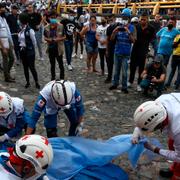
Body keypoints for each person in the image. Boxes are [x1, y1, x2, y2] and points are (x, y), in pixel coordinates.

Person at [132, 93, 180, 179]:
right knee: (172, 143)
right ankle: (173, 168)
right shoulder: (161, 101)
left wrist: (154, 149)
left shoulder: (177, 129)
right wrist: (137, 129)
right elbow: (147, 115)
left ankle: (177, 175)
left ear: (160, 124)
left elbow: (178, 156)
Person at [109, 8, 136, 93]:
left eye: (126, 17)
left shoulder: (132, 28)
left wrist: (128, 32)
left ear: (129, 18)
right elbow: (112, 39)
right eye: (123, 17)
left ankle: (124, 87)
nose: (124, 18)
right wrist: (114, 31)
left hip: (126, 53)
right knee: (116, 71)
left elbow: (133, 41)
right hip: (117, 52)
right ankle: (115, 84)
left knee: (124, 72)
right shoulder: (118, 26)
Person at [128, 12, 155, 92]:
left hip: (143, 50)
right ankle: (130, 81)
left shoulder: (151, 28)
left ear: (147, 20)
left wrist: (148, 46)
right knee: (132, 67)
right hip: (135, 49)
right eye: (141, 19)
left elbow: (153, 38)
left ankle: (139, 84)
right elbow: (132, 37)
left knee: (141, 68)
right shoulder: (136, 26)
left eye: (144, 20)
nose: (142, 21)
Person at [18, 13, 40, 89]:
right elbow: (20, 40)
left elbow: (34, 42)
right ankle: (28, 82)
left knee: (32, 67)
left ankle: (36, 82)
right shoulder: (20, 29)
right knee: (25, 67)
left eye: (19, 20)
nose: (19, 21)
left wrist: (32, 50)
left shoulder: (30, 30)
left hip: (30, 51)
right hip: (23, 51)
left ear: (22, 21)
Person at [44, 10, 65, 81]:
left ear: (56, 18)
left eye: (54, 17)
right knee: (52, 65)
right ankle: (52, 79)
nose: (52, 19)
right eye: (51, 17)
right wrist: (48, 40)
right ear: (49, 18)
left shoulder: (61, 26)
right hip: (50, 48)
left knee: (61, 65)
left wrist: (58, 39)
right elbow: (45, 37)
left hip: (58, 48)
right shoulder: (46, 27)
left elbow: (65, 37)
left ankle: (62, 78)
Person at [0, 3, 15, 82]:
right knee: (5, 60)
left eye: (4, 8)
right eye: (2, 8)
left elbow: (8, 32)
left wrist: (11, 42)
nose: (4, 9)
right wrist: (2, 47)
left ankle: (7, 73)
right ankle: (7, 77)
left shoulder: (3, 18)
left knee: (12, 58)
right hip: (2, 43)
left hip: (8, 41)